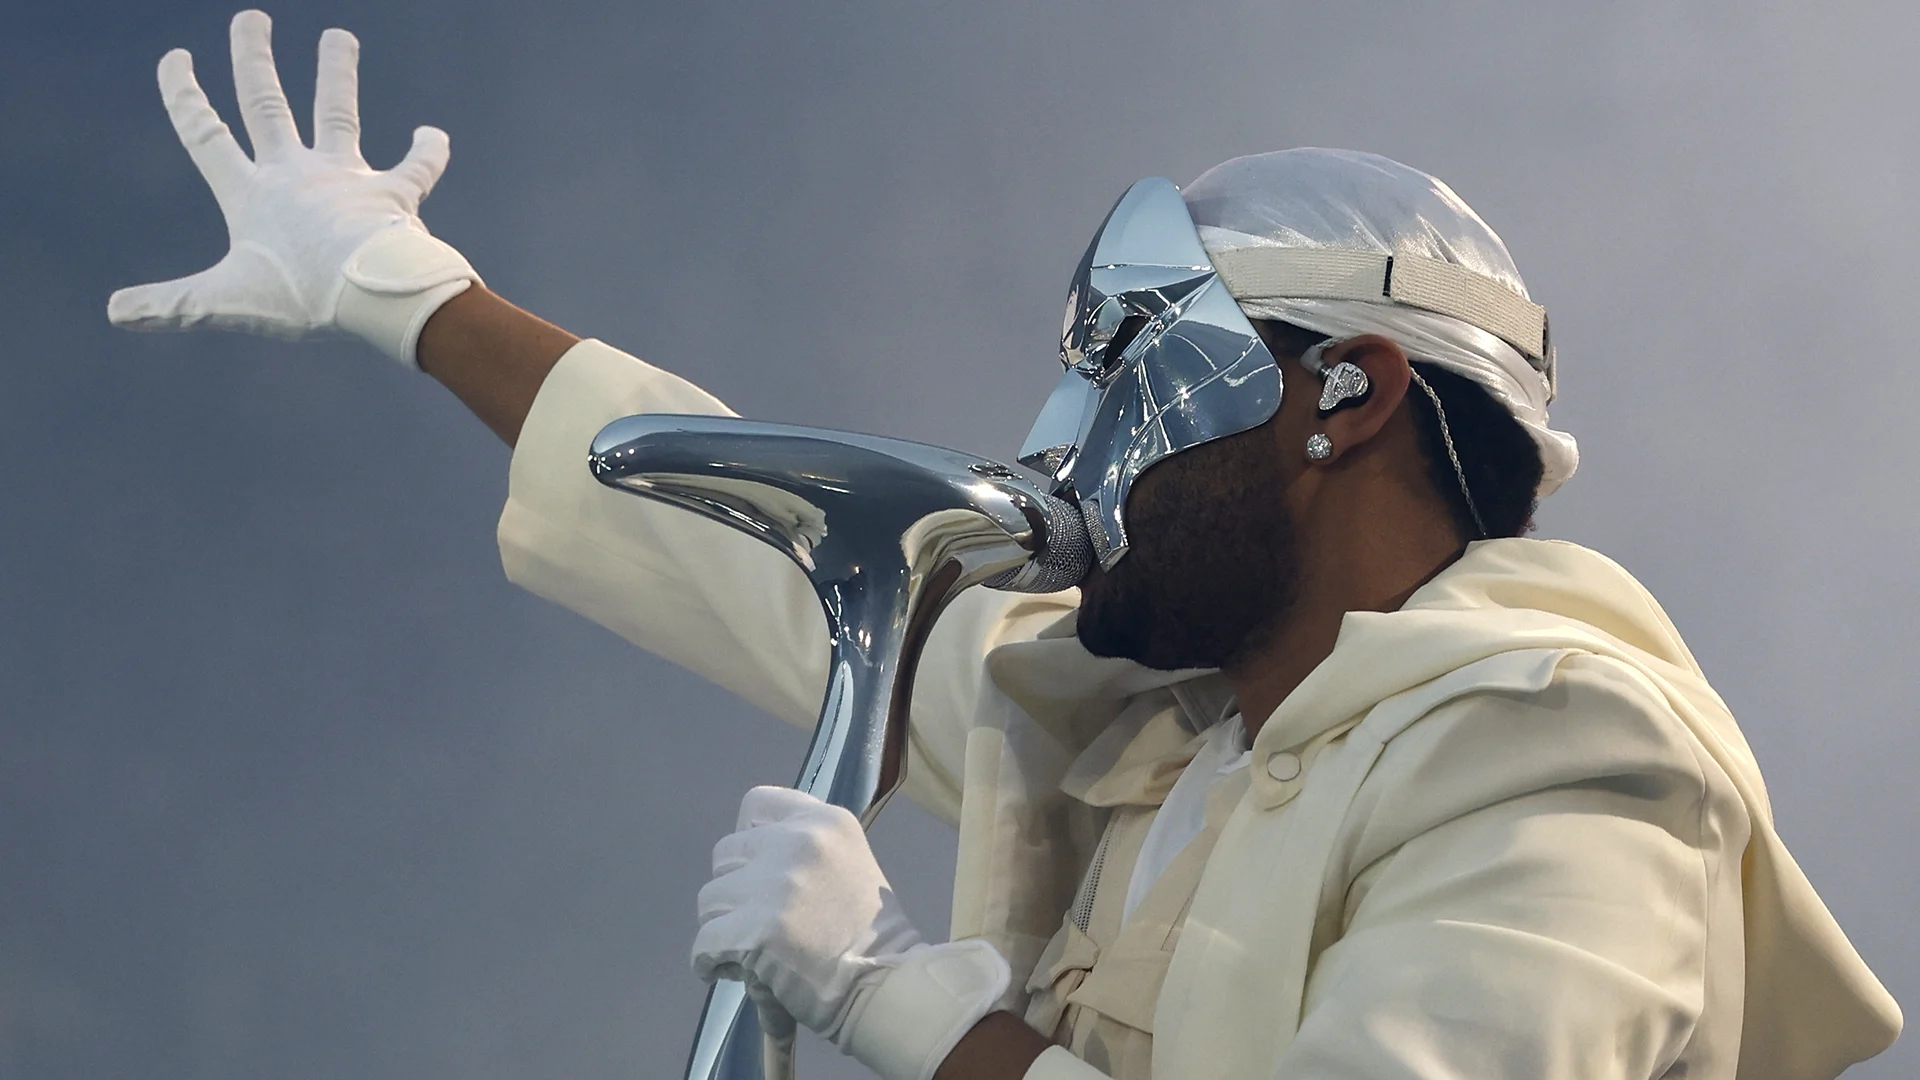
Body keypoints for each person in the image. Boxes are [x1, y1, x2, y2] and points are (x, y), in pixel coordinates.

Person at [109, 12, 1902, 1080]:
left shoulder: (1571, 763)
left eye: (1132, 362)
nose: (1064, 447)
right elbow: (783, 545)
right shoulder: (1145, 738)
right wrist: (407, 293)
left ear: (1341, 397)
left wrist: (896, 1000)